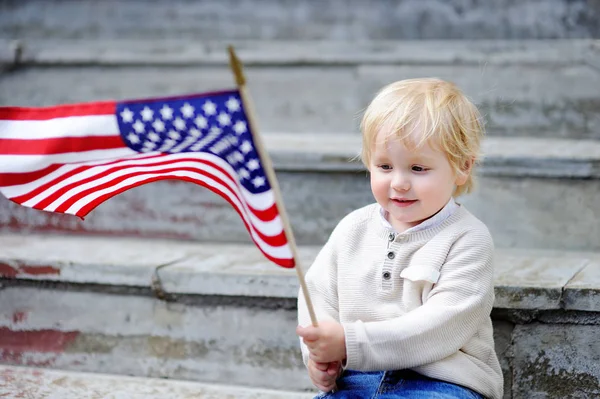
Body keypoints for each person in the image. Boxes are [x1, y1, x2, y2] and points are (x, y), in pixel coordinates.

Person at [296, 78, 503, 399]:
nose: (399, 183)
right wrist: (320, 355)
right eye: (385, 166)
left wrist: (350, 342)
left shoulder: (467, 239)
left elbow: (441, 326)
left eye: (418, 168)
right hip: (357, 377)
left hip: (442, 382)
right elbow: (318, 295)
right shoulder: (353, 228)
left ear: (462, 167)